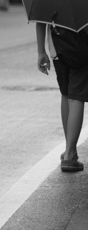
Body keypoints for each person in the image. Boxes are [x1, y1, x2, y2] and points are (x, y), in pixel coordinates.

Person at [37, 22, 88, 172]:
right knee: (76, 97)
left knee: (66, 94)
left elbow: (39, 20)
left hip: (57, 48)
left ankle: (69, 150)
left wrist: (41, 51)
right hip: (81, 47)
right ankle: (70, 153)